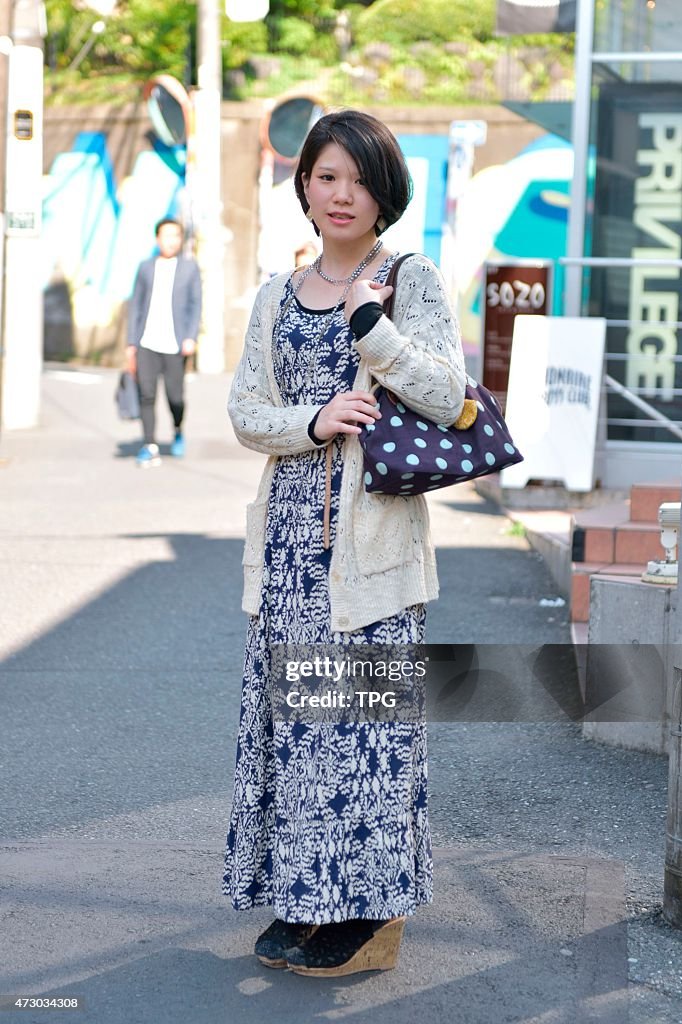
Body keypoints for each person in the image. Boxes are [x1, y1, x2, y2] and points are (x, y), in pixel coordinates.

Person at [223, 110, 466, 977]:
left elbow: (450, 395)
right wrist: (315, 420)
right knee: (298, 728)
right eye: (327, 176)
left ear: (384, 192)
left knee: (360, 735)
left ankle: (366, 915)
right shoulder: (273, 295)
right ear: (305, 183)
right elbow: (248, 412)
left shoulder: (411, 278)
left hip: (371, 549)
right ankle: (305, 894)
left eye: (359, 181)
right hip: (289, 540)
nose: (341, 195)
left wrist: (375, 332)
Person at [126, 218, 202, 467]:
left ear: (180, 240)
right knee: (146, 394)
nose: (171, 241)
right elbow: (136, 305)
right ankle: (149, 444)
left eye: (175, 236)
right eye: (166, 236)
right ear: (157, 239)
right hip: (147, 341)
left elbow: (195, 304)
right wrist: (131, 343)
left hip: (176, 343)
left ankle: (178, 429)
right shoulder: (146, 267)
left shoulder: (189, 268)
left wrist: (190, 336)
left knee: (175, 397)